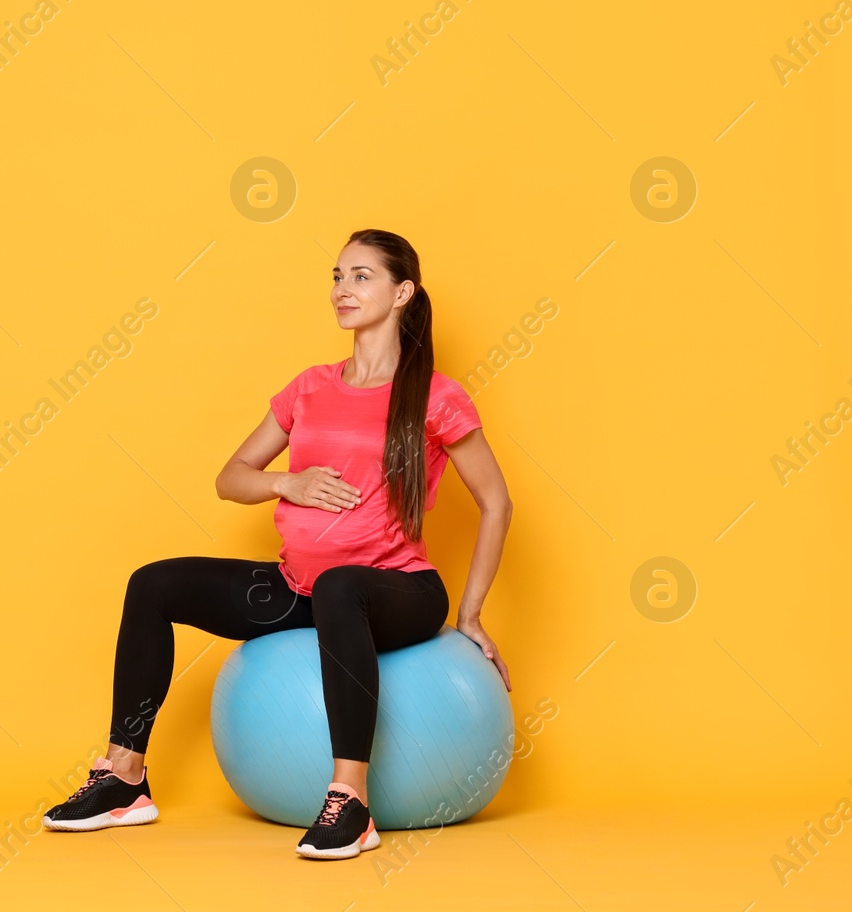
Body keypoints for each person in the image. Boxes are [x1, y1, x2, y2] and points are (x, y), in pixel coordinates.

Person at [41, 228, 514, 859]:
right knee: (153, 583)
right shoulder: (310, 387)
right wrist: (286, 479)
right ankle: (125, 778)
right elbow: (230, 479)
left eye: (361, 276)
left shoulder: (435, 396)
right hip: (301, 591)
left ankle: (352, 801)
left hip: (398, 592)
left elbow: (496, 502)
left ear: (403, 293)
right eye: (338, 276)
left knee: (343, 583)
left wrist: (472, 614)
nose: (342, 289)